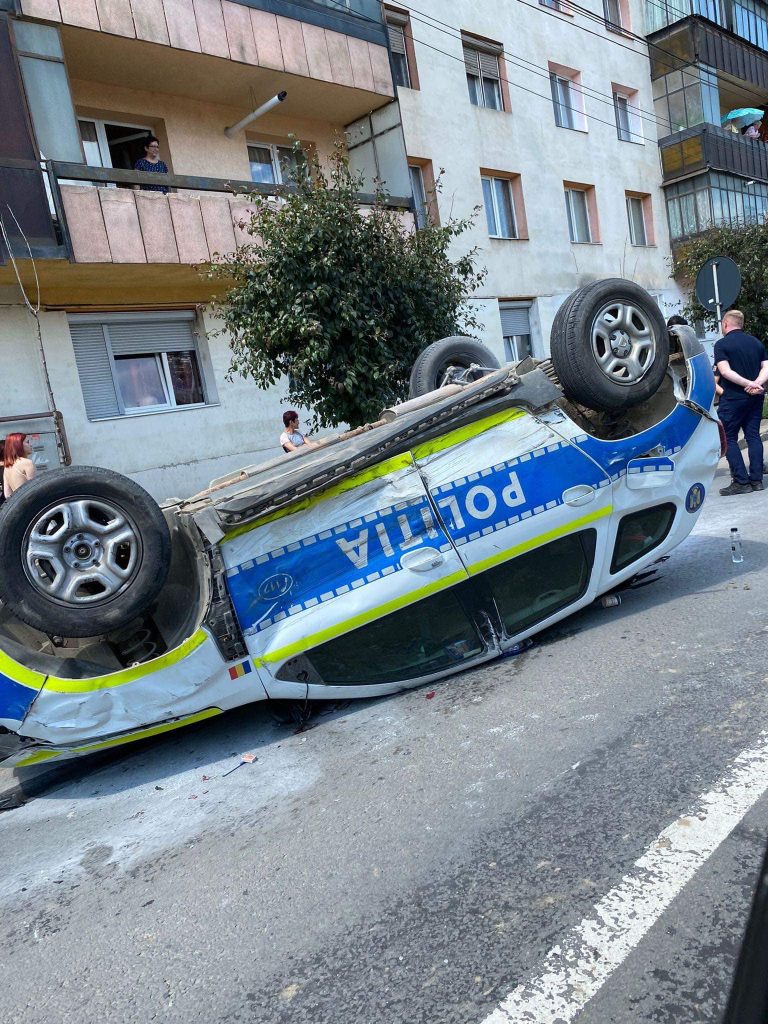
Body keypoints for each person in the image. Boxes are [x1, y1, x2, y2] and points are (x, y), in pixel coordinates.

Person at [714, 310, 768, 495]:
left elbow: (725, 372)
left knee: (727, 438)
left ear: (726, 324)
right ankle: (757, 480)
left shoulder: (721, 345)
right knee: (753, 435)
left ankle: (741, 482)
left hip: (733, 399)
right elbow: (766, 367)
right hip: (756, 396)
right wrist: (757, 384)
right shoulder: (756, 342)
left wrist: (747, 384)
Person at [3, 432, 36, 499]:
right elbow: (34, 488)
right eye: (27, 442)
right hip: (30, 501)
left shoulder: (7, 466)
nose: (31, 445)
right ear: (19, 445)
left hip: (18, 504)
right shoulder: (27, 463)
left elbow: (7, 494)